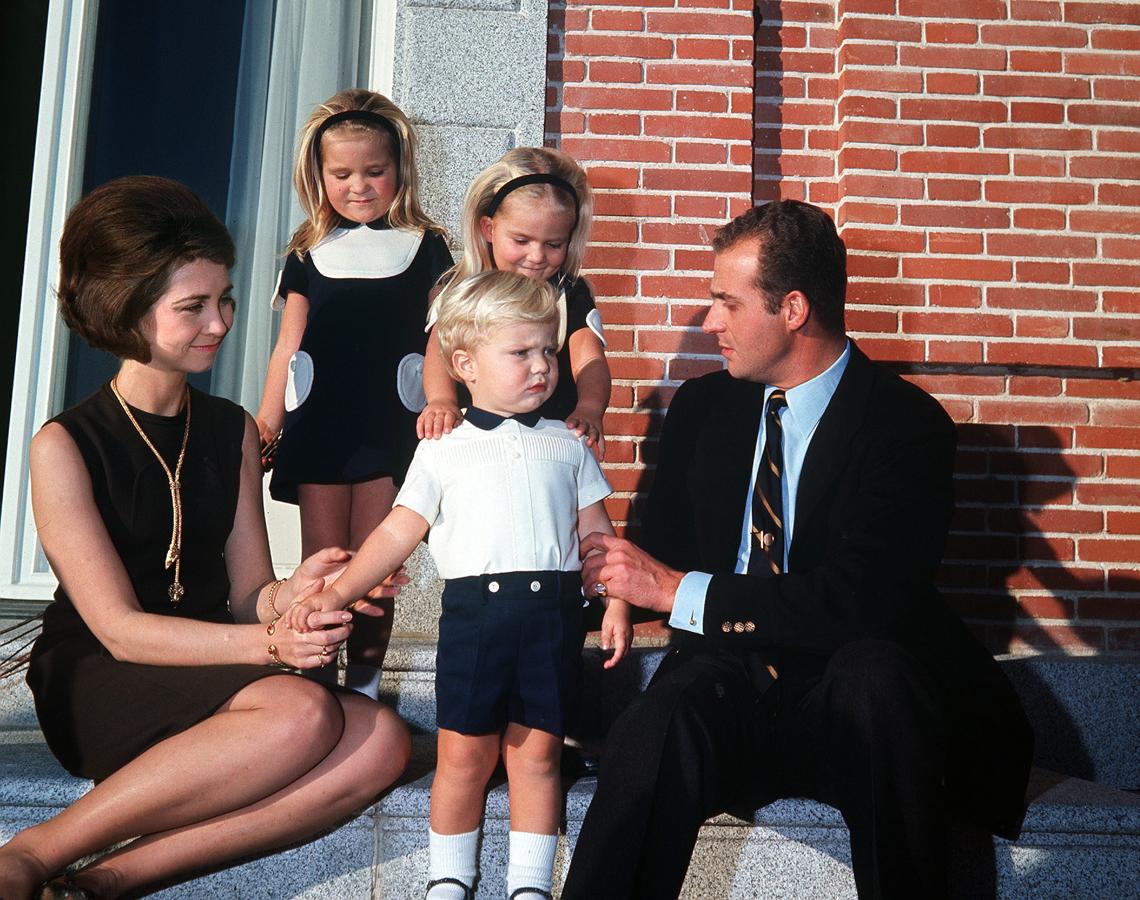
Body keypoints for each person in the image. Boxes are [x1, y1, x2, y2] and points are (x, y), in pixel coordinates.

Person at [562, 200, 1034, 899]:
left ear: (792, 308)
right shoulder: (700, 410)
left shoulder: (906, 425)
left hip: (853, 704)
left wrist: (673, 591)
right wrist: (580, 580)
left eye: (727, 302)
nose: (712, 323)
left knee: (878, 677)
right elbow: (654, 558)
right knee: (659, 718)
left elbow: (862, 599)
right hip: (730, 686)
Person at [0, 176, 411, 900]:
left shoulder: (232, 431)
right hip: (100, 674)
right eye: (192, 307)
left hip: (213, 665)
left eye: (223, 300)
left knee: (382, 741)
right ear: (125, 311)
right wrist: (272, 646)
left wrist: (301, 592)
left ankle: (106, 882)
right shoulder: (63, 444)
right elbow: (121, 631)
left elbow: (252, 593)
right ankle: (33, 854)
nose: (219, 322)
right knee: (302, 710)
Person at [286, 270, 633, 900]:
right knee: (463, 758)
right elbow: (396, 533)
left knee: (537, 757)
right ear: (465, 364)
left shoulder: (569, 446)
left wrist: (617, 602)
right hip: (477, 620)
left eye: (548, 351)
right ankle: (449, 878)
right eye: (520, 352)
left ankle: (529, 885)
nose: (541, 367)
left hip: (553, 623)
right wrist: (334, 593)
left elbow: (598, 540)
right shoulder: (444, 450)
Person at [256, 88, 452, 696]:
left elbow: (441, 337)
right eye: (342, 174)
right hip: (319, 430)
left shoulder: (427, 246)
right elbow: (287, 345)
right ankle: (314, 689)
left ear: (399, 172)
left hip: (390, 426)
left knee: (373, 569)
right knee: (324, 564)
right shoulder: (307, 251)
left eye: (375, 171)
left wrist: (445, 399)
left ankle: (362, 692)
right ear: (319, 176)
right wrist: (268, 421)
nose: (359, 186)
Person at [417, 147, 611, 459]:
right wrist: (442, 401)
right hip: (473, 440)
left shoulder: (568, 294)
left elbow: (590, 360)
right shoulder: (460, 290)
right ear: (488, 229)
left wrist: (589, 408)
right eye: (521, 241)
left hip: (549, 442)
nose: (536, 256)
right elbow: (438, 352)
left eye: (553, 244)